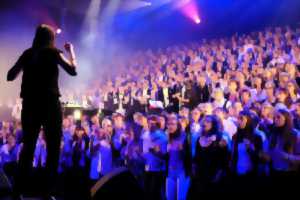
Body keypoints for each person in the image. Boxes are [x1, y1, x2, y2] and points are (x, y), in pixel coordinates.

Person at [7, 24, 77, 197]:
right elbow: (73, 71)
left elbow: (10, 76)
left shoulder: (28, 53)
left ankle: (17, 191)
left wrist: (26, 66)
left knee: (28, 147)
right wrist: (71, 52)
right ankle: (47, 192)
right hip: (49, 104)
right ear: (51, 38)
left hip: (30, 105)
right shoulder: (54, 53)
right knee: (53, 149)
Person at [142, 115, 168, 200]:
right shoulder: (145, 134)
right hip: (147, 167)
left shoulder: (162, 136)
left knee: (155, 193)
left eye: (153, 123)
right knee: (147, 191)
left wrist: (155, 152)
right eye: (149, 123)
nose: (151, 125)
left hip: (158, 169)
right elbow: (143, 150)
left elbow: (164, 155)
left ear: (157, 124)